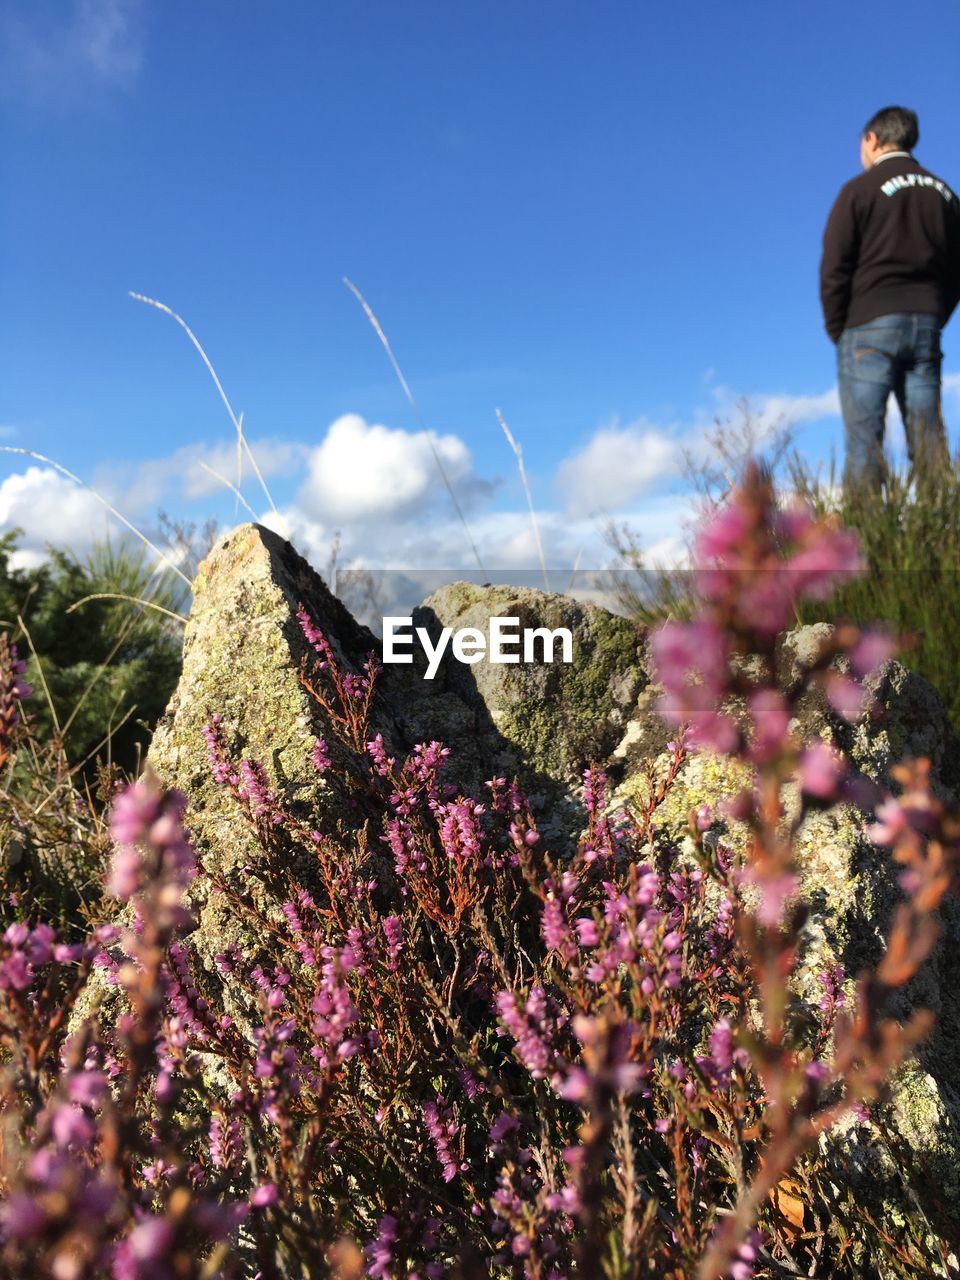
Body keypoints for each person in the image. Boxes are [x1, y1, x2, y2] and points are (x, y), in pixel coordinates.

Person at [820, 105, 960, 493]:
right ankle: (944, 539)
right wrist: (934, 312)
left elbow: (834, 263)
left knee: (865, 446)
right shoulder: (945, 194)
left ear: (872, 139)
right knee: (930, 441)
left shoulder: (858, 190)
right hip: (926, 326)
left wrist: (839, 328)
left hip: (867, 327)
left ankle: (866, 546)